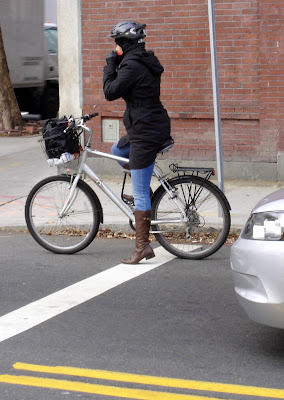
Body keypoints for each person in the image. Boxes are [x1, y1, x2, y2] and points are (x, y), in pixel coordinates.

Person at [103, 21, 173, 264]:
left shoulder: (132, 66)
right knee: (118, 150)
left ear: (125, 43)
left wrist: (111, 64)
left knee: (139, 193)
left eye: (117, 42)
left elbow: (110, 91)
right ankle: (147, 196)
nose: (115, 47)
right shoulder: (142, 61)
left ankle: (142, 247)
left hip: (146, 131)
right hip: (147, 126)